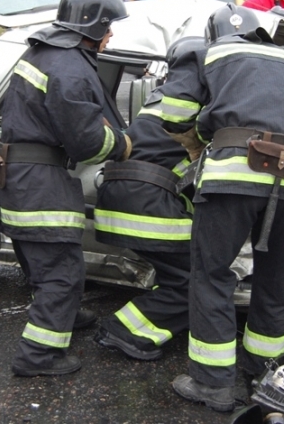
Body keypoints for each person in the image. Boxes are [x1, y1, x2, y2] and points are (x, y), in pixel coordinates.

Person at [158, 4, 284, 412]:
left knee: (213, 275)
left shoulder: (208, 54)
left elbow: (173, 114)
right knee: (277, 277)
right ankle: (266, 372)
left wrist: (207, 132)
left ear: (214, 33)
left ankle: (213, 384)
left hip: (233, 177)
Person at [0, 0, 131, 377]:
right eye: (109, 26)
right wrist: (123, 145)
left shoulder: (42, 52)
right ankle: (38, 357)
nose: (111, 35)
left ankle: (65, 317)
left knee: (45, 267)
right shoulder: (71, 69)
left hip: (19, 178)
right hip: (41, 184)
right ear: (92, 25)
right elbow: (89, 143)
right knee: (63, 275)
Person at [92, 44, 199, 359]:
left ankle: (131, 325)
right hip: (147, 205)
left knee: (178, 274)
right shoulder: (202, 103)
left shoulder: (162, 96)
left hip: (117, 196)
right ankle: (124, 332)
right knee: (200, 282)